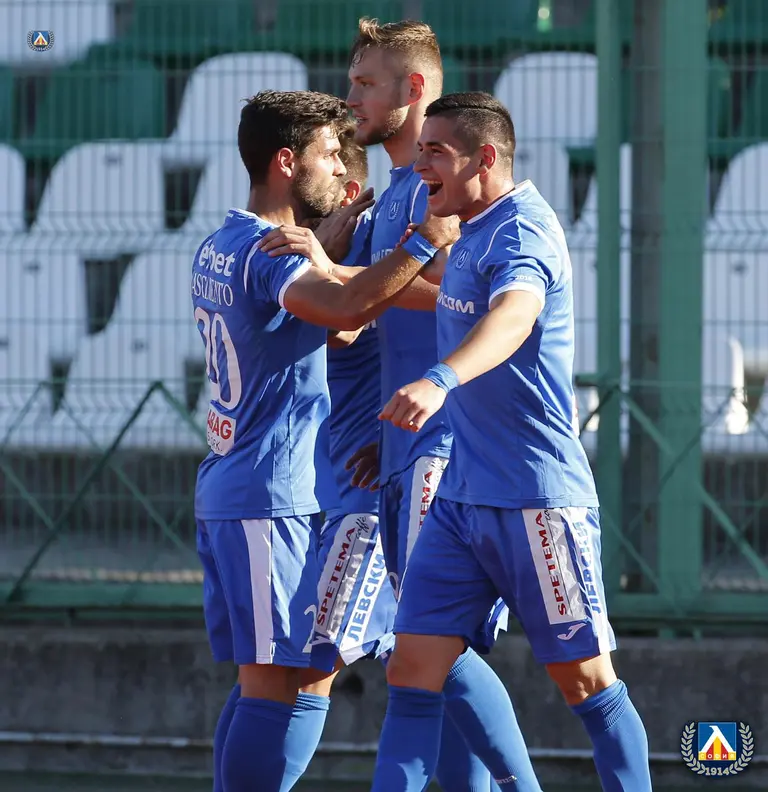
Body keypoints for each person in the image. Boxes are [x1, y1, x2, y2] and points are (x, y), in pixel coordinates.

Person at [373, 92, 653, 792]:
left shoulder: (523, 232)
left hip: (536, 501)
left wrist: (439, 378)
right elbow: (432, 290)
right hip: (461, 503)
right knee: (412, 668)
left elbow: (514, 317)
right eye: (421, 149)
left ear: (485, 158)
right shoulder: (470, 227)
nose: (421, 164)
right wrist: (329, 268)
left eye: (436, 152)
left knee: (587, 681)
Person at [192, 88, 457, 792]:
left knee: (277, 677)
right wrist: (426, 241)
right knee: (276, 685)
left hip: (235, 487)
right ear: (287, 162)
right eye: (328, 154)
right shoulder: (274, 252)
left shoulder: (220, 242)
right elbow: (344, 308)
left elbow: (336, 325)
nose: (342, 168)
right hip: (267, 495)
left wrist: (333, 261)